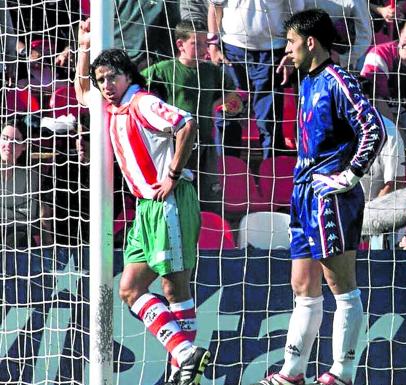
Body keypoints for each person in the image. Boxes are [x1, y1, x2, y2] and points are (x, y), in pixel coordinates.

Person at [252, 9, 386, 385]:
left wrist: (349, 175)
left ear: (311, 43)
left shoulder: (338, 80)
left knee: (340, 285)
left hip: (331, 197)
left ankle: (342, 373)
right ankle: (292, 372)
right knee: (302, 285)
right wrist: (292, 67)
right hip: (303, 193)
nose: (287, 50)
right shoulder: (307, 79)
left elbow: (373, 129)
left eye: (292, 43)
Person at [74, 19, 210, 385]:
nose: (105, 86)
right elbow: (80, 88)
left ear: (127, 76)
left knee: (173, 286)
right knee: (130, 288)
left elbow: (186, 123)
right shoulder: (110, 107)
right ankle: (185, 355)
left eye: (111, 78)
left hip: (168, 201)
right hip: (144, 209)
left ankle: (184, 370)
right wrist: (84, 46)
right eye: (102, 80)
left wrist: (174, 173)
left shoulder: (142, 102)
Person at [141, 19, 241, 212]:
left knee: (209, 200)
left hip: (206, 145)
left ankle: (209, 236)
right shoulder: (164, 70)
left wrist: (214, 104)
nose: (204, 49)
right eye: (197, 43)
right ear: (180, 44)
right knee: (177, 200)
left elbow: (232, 92)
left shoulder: (211, 70)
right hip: (176, 147)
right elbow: (137, 89)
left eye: (207, 43)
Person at [208, 0, 304, 159]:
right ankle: (226, 169)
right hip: (232, 51)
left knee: (269, 120)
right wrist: (213, 45)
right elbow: (215, 6)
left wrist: (290, 50)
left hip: (271, 52)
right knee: (228, 114)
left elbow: (296, 14)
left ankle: (271, 169)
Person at [360, 18, 406, 130]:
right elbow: (375, 97)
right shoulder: (379, 54)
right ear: (400, 33)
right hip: (383, 115)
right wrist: (396, 132)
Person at [0, 119, 52, 249]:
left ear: (24, 146)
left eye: (15, 141)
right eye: (5, 138)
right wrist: (15, 213)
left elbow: (29, 215)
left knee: (20, 239)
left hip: (18, 234)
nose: (8, 145)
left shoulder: (31, 176)